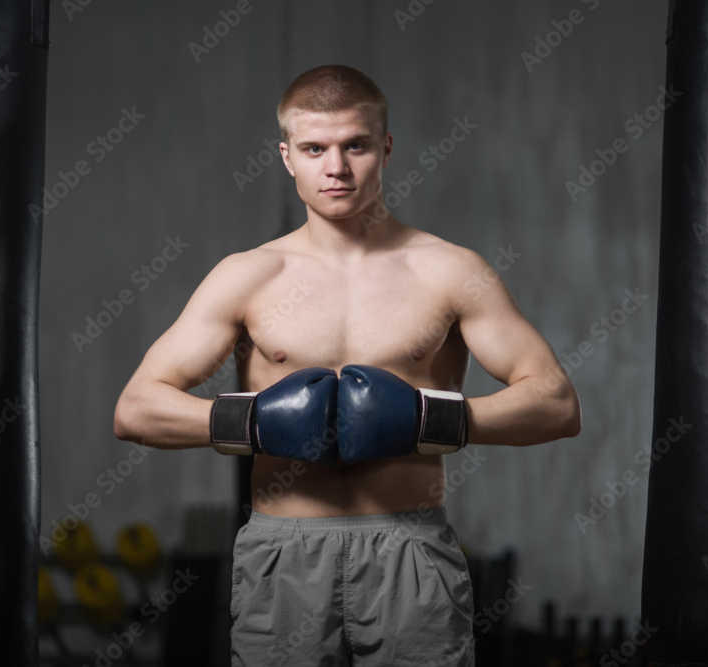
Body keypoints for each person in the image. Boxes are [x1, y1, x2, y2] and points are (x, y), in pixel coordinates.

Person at [113, 63, 581, 666]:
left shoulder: (449, 270)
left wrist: (427, 419)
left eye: (355, 145)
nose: (335, 167)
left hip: (409, 545)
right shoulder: (248, 276)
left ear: (385, 148)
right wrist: (256, 422)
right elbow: (136, 409)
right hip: (283, 553)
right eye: (314, 149)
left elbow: (556, 402)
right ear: (286, 156)